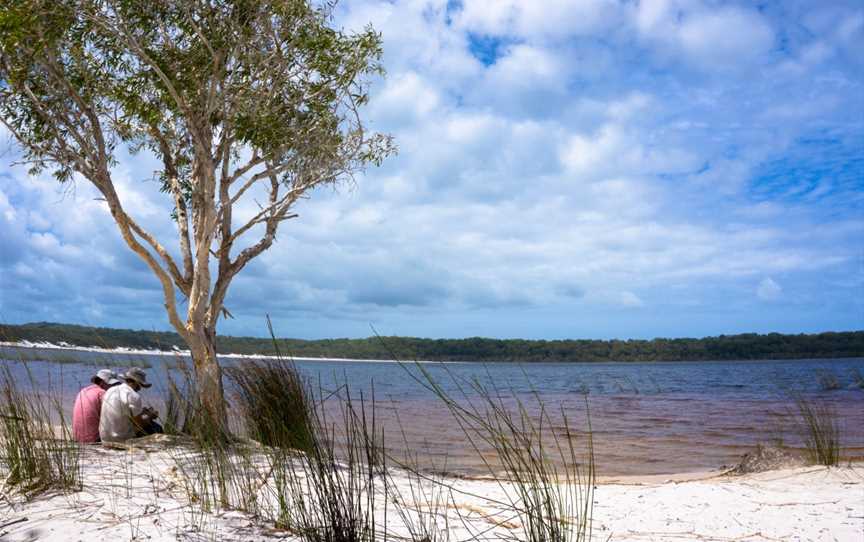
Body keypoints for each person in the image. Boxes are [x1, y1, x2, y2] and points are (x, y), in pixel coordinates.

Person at [99, 367, 163, 443]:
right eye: (140, 385)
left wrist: (143, 413)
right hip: (120, 439)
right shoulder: (133, 395)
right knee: (156, 427)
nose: (140, 389)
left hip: (104, 438)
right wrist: (150, 416)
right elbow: (139, 424)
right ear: (136, 382)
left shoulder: (111, 390)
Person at [72, 369, 121, 443]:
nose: (113, 387)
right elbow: (113, 418)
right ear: (102, 382)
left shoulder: (83, 391)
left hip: (77, 437)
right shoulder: (103, 393)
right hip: (94, 439)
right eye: (112, 384)